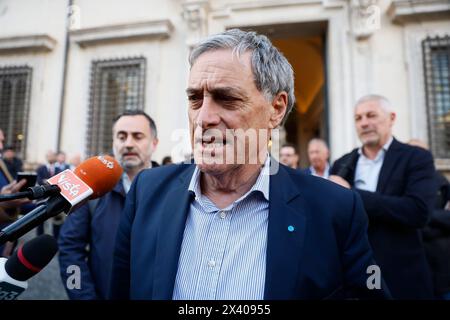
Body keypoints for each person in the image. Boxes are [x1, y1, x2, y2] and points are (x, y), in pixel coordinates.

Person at [110, 29, 389, 300]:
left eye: (227, 98)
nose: (203, 117)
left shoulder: (333, 210)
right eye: (195, 98)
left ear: (276, 109)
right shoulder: (148, 191)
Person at [330, 94, 436, 299]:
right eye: (358, 118)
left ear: (392, 118)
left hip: (403, 278)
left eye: (371, 115)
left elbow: (418, 212)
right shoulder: (342, 163)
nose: (364, 123)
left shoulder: (415, 157)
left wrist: (352, 195)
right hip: (355, 280)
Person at [58, 109, 159, 300]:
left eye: (138, 136)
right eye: (121, 137)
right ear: (114, 143)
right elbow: (70, 251)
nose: (128, 143)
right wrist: (81, 296)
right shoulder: (91, 192)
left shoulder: (174, 191)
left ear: (154, 143)